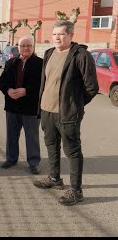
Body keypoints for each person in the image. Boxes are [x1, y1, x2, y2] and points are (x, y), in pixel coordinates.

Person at [33, 20, 98, 206]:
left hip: (67, 114)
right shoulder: (49, 53)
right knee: (51, 146)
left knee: (73, 151)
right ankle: (54, 179)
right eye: (54, 34)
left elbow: (91, 87)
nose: (57, 37)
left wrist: (74, 104)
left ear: (70, 35)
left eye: (61, 34)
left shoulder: (81, 55)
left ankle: (76, 191)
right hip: (47, 111)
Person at [0, 35, 43, 174]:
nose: (25, 48)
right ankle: (11, 159)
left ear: (33, 47)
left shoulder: (41, 63)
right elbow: (2, 81)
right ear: (18, 47)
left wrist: (26, 91)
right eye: (23, 46)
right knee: (11, 135)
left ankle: (34, 163)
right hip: (12, 107)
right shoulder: (11, 62)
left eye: (28, 46)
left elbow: (43, 85)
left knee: (32, 137)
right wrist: (8, 90)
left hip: (30, 107)